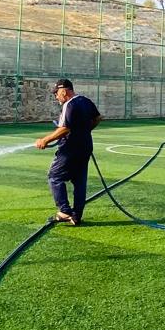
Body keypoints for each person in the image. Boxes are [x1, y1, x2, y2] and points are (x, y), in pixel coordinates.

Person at [35, 79, 101, 224]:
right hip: (85, 146)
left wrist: (45, 140)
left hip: (70, 148)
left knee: (55, 176)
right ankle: (76, 216)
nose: (56, 97)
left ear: (64, 91)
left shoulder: (69, 105)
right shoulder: (85, 101)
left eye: (56, 93)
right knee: (79, 181)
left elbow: (65, 128)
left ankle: (64, 211)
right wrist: (85, 131)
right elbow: (97, 118)